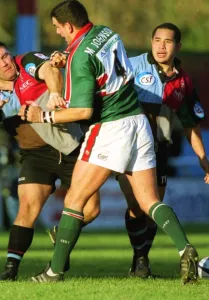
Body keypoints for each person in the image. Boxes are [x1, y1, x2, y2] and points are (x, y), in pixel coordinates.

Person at [20, 0, 199, 284]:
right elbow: (91, 55)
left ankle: (54, 272)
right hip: (139, 123)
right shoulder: (105, 32)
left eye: (58, 28)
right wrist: (66, 55)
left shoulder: (79, 56)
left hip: (110, 127)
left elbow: (83, 111)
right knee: (149, 200)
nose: (58, 34)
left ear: (68, 25)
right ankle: (185, 247)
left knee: (75, 200)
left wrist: (42, 115)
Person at [117, 23, 209, 278]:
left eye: (167, 41)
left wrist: (202, 157)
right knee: (137, 205)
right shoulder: (133, 65)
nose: (161, 46)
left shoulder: (182, 81)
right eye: (157, 40)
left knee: (153, 207)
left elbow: (191, 124)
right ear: (151, 42)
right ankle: (140, 258)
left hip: (159, 148)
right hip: (128, 146)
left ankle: (141, 261)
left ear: (177, 46)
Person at [0, 42, 100, 281]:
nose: (6, 63)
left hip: (71, 147)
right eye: (0, 62)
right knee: (26, 208)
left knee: (92, 209)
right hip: (35, 155)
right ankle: (10, 270)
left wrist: (54, 93)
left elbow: (49, 70)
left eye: (5, 56)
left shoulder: (26, 61)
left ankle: (61, 233)